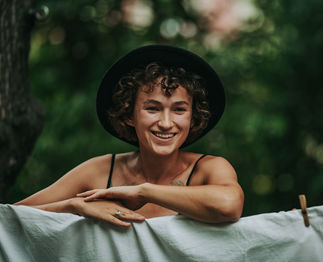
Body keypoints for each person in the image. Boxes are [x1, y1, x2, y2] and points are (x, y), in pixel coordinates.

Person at [15, 45, 244, 227]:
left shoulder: (209, 169)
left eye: (179, 109)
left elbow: (229, 205)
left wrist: (144, 192)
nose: (166, 123)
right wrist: (75, 206)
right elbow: (11, 216)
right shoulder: (100, 171)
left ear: (193, 118)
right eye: (152, 108)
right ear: (128, 115)